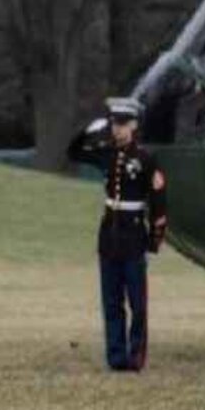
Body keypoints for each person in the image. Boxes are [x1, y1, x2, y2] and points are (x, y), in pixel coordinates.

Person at [66, 98, 168, 372]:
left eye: (122, 124)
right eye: (114, 123)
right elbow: (73, 153)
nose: (117, 129)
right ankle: (116, 357)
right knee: (111, 301)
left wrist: (154, 242)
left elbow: (159, 204)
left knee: (137, 303)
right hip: (109, 235)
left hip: (134, 236)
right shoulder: (105, 153)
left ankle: (136, 356)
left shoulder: (146, 159)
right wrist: (88, 130)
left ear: (134, 124)